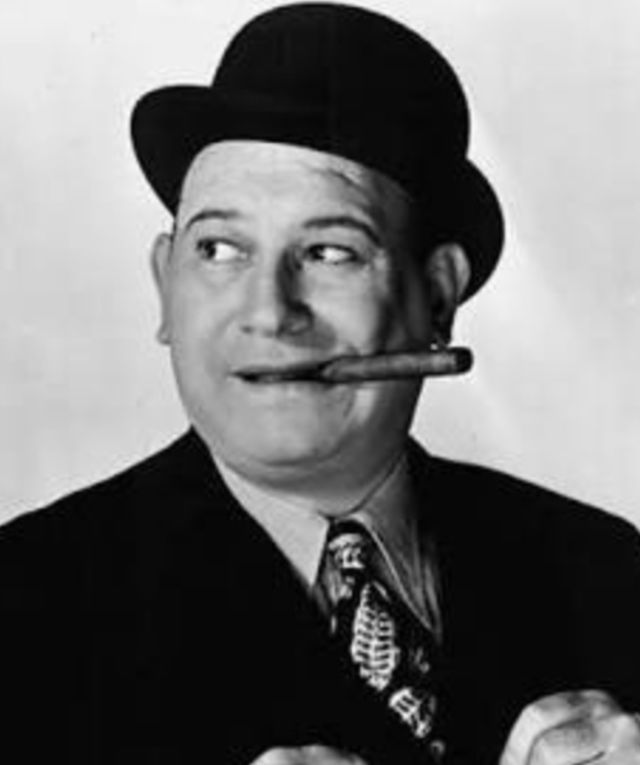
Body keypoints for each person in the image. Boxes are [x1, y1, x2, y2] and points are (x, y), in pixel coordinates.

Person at [1, 4, 639, 764]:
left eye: (331, 253)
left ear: (438, 296)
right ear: (165, 286)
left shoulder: (605, 568)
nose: (270, 311)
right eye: (219, 248)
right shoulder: (27, 599)